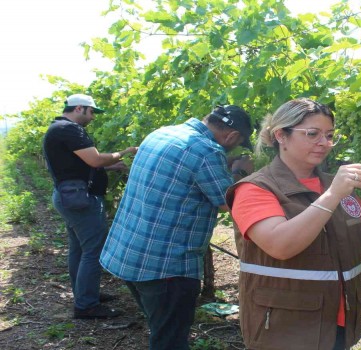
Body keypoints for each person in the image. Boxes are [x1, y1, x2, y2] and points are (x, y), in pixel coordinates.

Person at [226, 98, 361, 350]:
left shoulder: (335, 185)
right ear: (281, 135)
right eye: (313, 134)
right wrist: (332, 195)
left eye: (329, 135)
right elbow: (280, 246)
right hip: (285, 329)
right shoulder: (255, 189)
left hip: (338, 321)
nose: (324, 143)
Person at [99, 105, 254, 350]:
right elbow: (228, 202)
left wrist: (224, 163)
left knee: (162, 330)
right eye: (236, 144)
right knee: (170, 341)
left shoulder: (162, 133)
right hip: (166, 268)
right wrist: (240, 171)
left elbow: (186, 172)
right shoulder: (206, 152)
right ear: (232, 137)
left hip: (130, 255)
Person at [43, 94, 138, 319]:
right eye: (92, 112)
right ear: (79, 108)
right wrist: (124, 152)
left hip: (71, 197)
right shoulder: (69, 130)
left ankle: (84, 293)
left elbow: (80, 164)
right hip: (80, 200)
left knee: (79, 248)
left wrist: (114, 166)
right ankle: (86, 305)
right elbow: (94, 160)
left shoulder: (58, 128)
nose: (93, 117)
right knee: (93, 251)